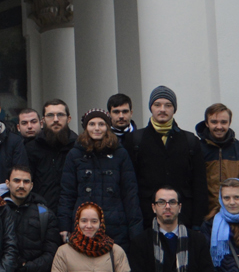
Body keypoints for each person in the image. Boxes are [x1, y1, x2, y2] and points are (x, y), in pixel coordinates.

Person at [123, 86, 208, 231]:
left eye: (168, 105)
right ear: (151, 108)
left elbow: (199, 184)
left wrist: (196, 222)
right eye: (157, 105)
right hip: (146, 219)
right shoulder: (135, 140)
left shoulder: (190, 141)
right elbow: (129, 185)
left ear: (174, 109)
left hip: (183, 218)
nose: (162, 109)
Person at [59, 110, 141, 244]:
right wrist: (64, 225)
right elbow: (67, 193)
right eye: (92, 124)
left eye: (101, 124)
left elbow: (130, 193)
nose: (96, 128)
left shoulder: (120, 154)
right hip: (83, 226)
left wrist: (135, 229)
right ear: (86, 127)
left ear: (107, 127)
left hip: (116, 226)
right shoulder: (74, 154)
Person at [24, 100, 75, 216]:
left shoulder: (78, 147)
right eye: (50, 115)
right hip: (40, 214)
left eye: (60, 115)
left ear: (69, 119)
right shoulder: (31, 149)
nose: (56, 119)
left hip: (73, 214)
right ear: (43, 121)